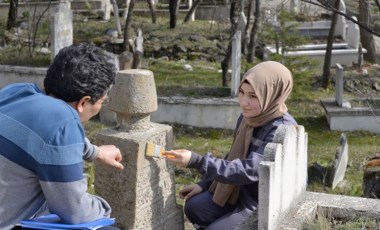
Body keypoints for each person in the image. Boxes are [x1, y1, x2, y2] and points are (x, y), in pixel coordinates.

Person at [0, 43, 124, 230]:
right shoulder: (64, 122)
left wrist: (95, 152)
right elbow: (76, 213)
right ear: (84, 102)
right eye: (101, 102)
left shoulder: (16, 92)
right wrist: (103, 206)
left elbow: (43, 136)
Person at [163, 61, 297, 229]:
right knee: (193, 207)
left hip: (260, 203)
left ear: (273, 94)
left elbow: (250, 170)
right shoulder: (248, 118)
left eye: (253, 96)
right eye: (242, 92)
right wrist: (204, 184)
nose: (243, 102)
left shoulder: (282, 129)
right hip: (236, 192)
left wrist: (197, 161)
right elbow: (233, 157)